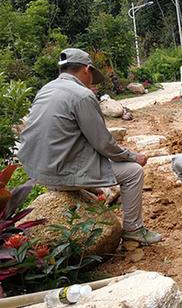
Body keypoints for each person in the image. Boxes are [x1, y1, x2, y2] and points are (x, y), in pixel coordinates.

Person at [18, 48, 162, 245]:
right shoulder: (82, 95)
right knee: (133, 172)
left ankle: (87, 194)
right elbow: (103, 143)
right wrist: (132, 156)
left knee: (99, 176)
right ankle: (133, 230)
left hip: (39, 171)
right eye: (92, 75)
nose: (91, 81)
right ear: (86, 69)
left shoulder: (46, 89)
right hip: (60, 172)